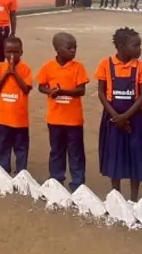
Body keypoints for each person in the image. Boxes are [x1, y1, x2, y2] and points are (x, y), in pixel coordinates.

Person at [95, 28, 142, 201]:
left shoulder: (141, 67)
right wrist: (115, 116)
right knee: (114, 155)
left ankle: (134, 198)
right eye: (135, 45)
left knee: (136, 155)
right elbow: (101, 93)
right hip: (112, 119)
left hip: (134, 119)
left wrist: (125, 117)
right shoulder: (106, 64)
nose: (140, 49)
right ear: (121, 46)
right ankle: (116, 195)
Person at [37, 32, 89, 192]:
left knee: (76, 153)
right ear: (58, 50)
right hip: (55, 120)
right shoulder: (48, 67)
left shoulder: (78, 67)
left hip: (73, 120)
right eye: (69, 47)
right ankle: (56, 180)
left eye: (75, 47)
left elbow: (81, 91)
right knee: (56, 151)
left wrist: (62, 92)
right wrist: (50, 91)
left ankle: (78, 184)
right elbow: (40, 86)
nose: (73, 51)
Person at [0, 37, 32, 174]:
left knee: (21, 147)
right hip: (3, 118)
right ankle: (3, 171)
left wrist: (14, 73)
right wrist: (7, 73)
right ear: (4, 52)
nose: (12, 55)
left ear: (22, 52)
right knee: (3, 147)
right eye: (8, 52)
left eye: (16, 52)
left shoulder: (25, 69)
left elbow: (26, 89)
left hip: (20, 119)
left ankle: (21, 172)